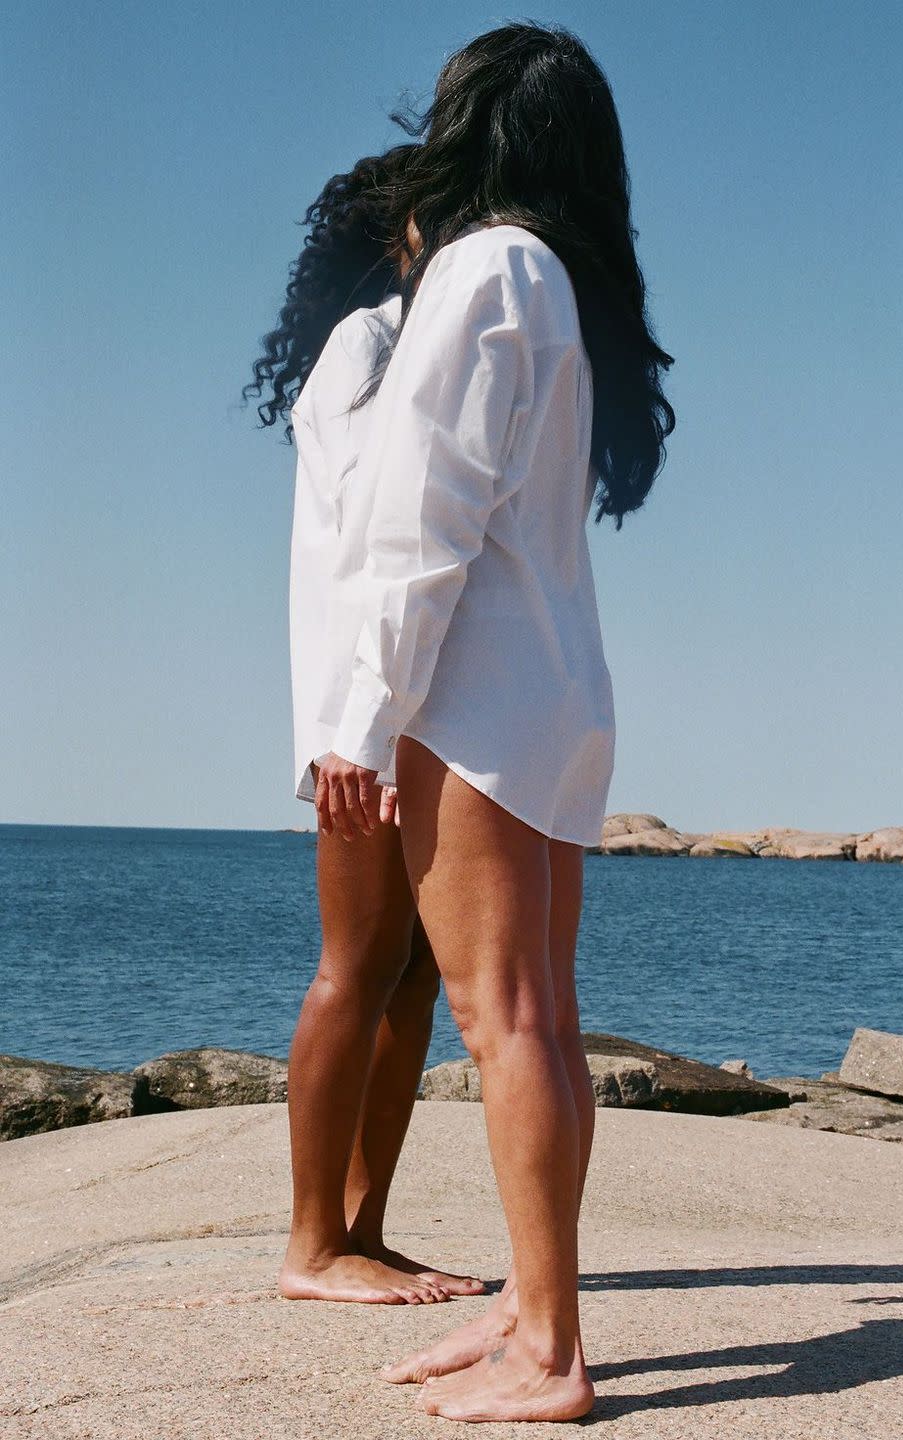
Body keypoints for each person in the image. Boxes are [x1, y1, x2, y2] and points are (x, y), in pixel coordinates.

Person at [314, 21, 675, 1424]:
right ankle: (532, 1313)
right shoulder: (559, 287)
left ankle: (553, 1352)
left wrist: (357, 716)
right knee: (542, 1016)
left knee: (500, 1014)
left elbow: (419, 524)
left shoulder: (475, 270)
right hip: (558, 691)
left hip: (473, 695)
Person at [245, 146, 484, 1304]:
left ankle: (362, 1225)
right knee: (355, 963)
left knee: (413, 974)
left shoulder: (419, 342)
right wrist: (358, 726)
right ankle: (310, 1245)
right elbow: (364, 547)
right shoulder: (368, 341)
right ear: (407, 232)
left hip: (402, 707)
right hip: (363, 712)